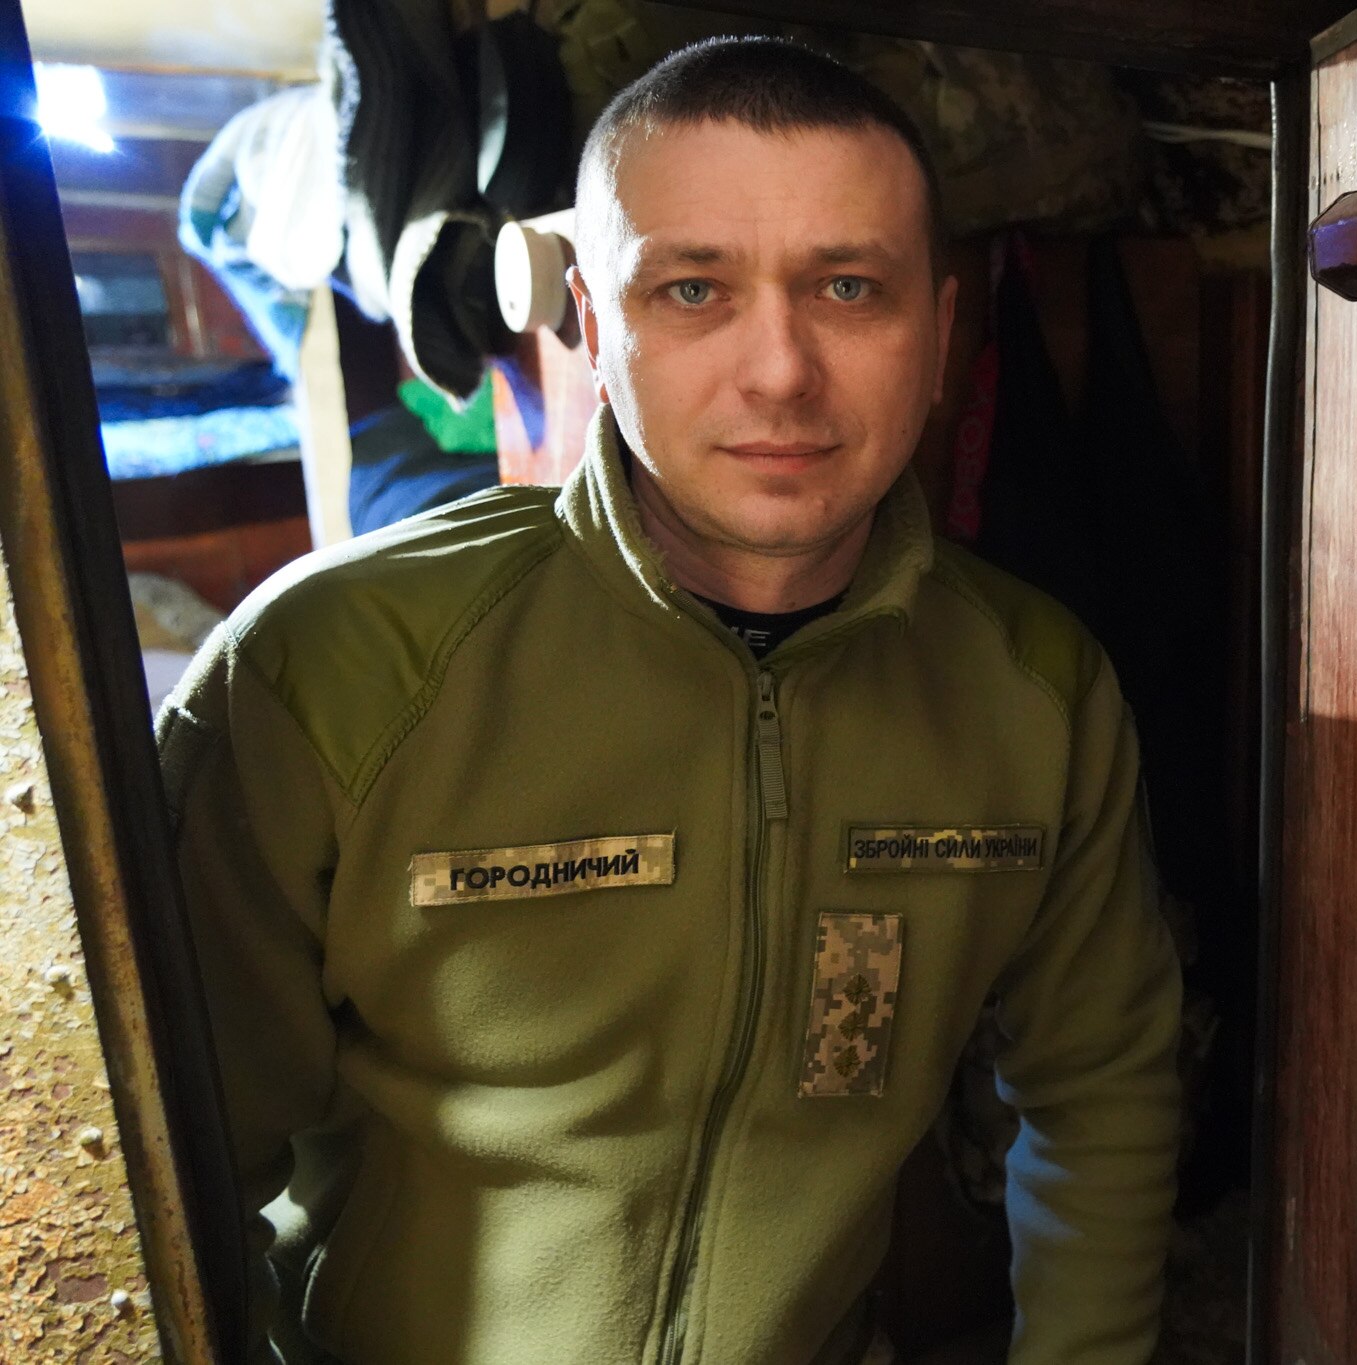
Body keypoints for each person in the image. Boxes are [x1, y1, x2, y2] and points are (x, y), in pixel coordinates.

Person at [157, 35, 1182, 1365]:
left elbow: (1103, 1091)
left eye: (849, 288)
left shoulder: (1036, 694)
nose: (779, 370)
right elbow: (172, 1170)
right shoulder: (328, 674)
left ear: (940, 332)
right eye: (693, 289)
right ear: (597, 324)